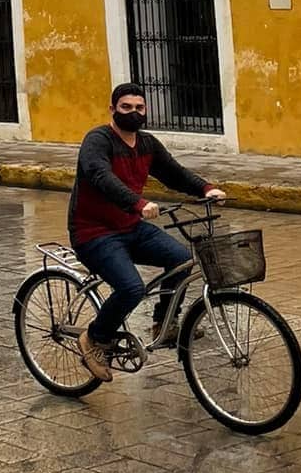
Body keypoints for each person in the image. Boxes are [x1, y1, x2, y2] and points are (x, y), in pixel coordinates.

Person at [70, 82, 226, 383]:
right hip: (94, 232)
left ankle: (164, 325)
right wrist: (137, 203)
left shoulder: (146, 144)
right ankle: (94, 338)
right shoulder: (98, 140)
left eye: (139, 108)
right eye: (126, 107)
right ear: (113, 109)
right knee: (131, 288)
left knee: (182, 258)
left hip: (130, 226)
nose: (133, 113)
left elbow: (173, 173)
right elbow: (99, 175)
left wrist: (206, 188)